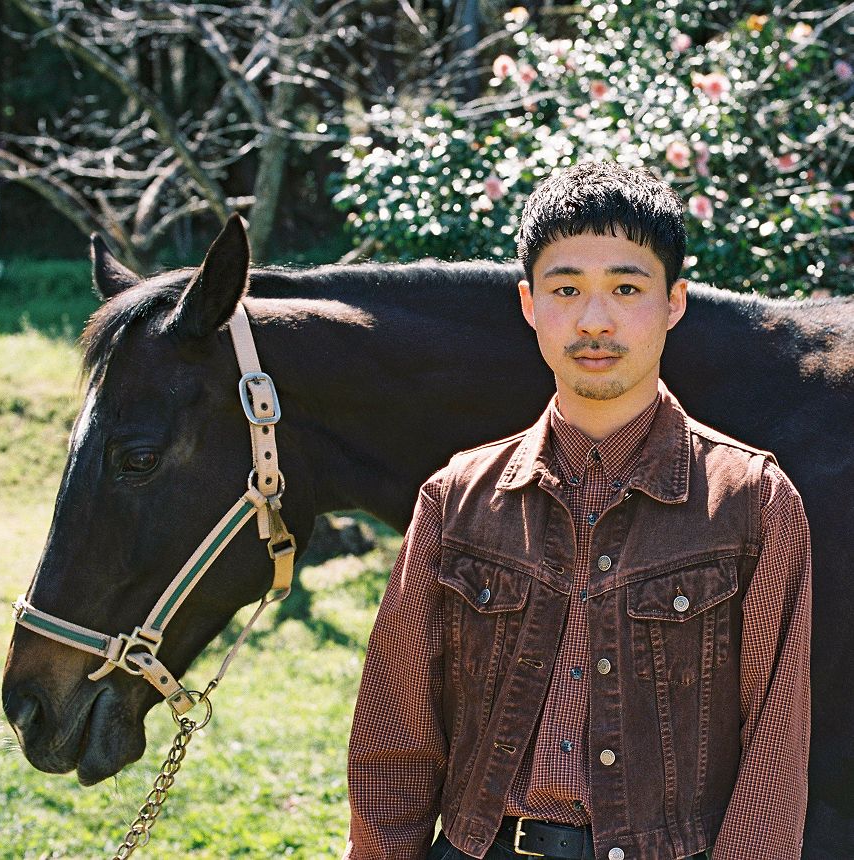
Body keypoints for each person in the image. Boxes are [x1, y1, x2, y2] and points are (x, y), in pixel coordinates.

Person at [344, 162, 811, 860]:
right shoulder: (456, 497)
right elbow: (397, 736)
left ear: (675, 302)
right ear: (530, 305)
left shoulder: (752, 502)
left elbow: (773, 759)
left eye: (626, 288)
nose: (595, 321)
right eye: (566, 290)